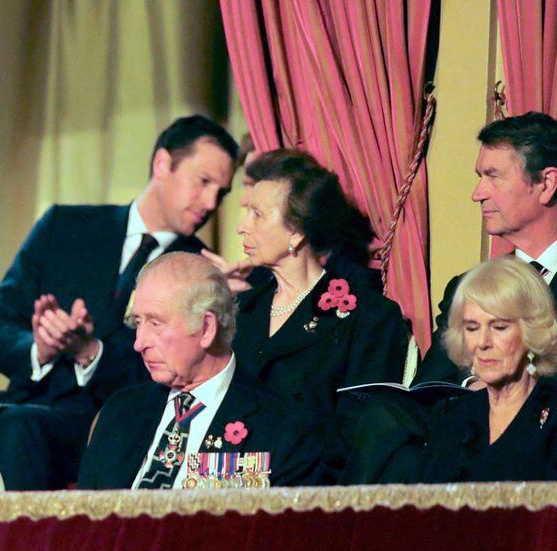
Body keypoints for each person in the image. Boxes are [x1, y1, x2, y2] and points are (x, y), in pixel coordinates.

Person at [0, 115, 239, 489]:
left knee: (18, 427)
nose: (211, 202)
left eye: (221, 192)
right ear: (162, 164)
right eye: (203, 181)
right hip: (29, 403)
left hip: (118, 422)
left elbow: (186, 371)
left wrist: (91, 353)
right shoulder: (65, 226)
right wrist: (41, 348)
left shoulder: (200, 270)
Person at [79, 253, 335, 489]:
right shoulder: (120, 413)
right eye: (137, 322)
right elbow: (84, 515)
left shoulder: (284, 429)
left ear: (206, 329)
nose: (139, 343)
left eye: (155, 323)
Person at [232, 150, 410, 417]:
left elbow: (366, 424)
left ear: (296, 232)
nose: (242, 227)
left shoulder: (368, 317)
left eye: (257, 214)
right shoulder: (240, 308)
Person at [416, 112, 557, 385]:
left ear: (547, 184)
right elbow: (430, 388)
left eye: (493, 176)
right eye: (480, 177)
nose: (477, 194)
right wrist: (473, 388)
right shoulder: (467, 288)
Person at [411, 258, 557, 482]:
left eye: (499, 327)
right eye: (472, 328)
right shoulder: (453, 416)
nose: (482, 342)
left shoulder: (551, 417)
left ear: (532, 331)